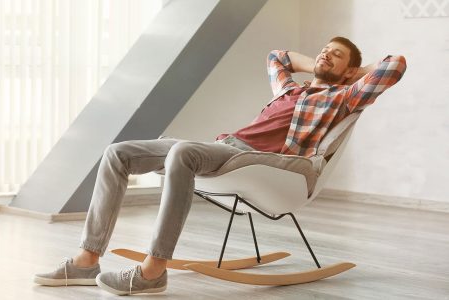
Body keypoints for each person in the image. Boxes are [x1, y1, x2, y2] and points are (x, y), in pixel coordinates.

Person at [34, 36, 406, 295]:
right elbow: (276, 56)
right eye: (324, 50)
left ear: (350, 71)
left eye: (335, 55)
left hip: (269, 163)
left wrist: (350, 74)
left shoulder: (343, 97)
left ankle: (153, 271)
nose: (325, 55)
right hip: (225, 147)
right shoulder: (290, 90)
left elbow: (394, 65)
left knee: (182, 154)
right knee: (118, 152)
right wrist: (322, 62)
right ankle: (87, 260)